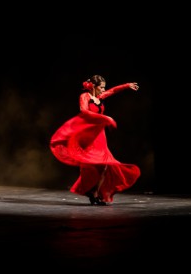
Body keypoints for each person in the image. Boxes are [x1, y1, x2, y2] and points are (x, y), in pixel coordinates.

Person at [50, 75, 140, 206]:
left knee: (104, 165)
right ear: (93, 86)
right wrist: (106, 119)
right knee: (90, 164)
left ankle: (95, 193)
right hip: (88, 134)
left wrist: (127, 85)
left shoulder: (99, 97)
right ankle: (90, 191)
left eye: (104, 88)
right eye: (101, 87)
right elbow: (84, 111)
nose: (104, 90)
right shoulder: (85, 97)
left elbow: (113, 91)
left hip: (100, 135)